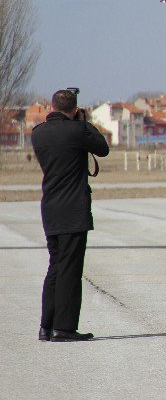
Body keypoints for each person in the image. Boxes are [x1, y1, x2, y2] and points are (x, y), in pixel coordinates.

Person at [32, 89, 110, 342]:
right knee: (70, 269)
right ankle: (64, 328)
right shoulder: (78, 130)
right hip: (73, 208)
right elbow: (102, 148)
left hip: (50, 207)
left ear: (51, 107)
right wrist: (84, 124)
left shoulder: (38, 133)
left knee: (55, 266)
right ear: (75, 109)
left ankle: (46, 326)